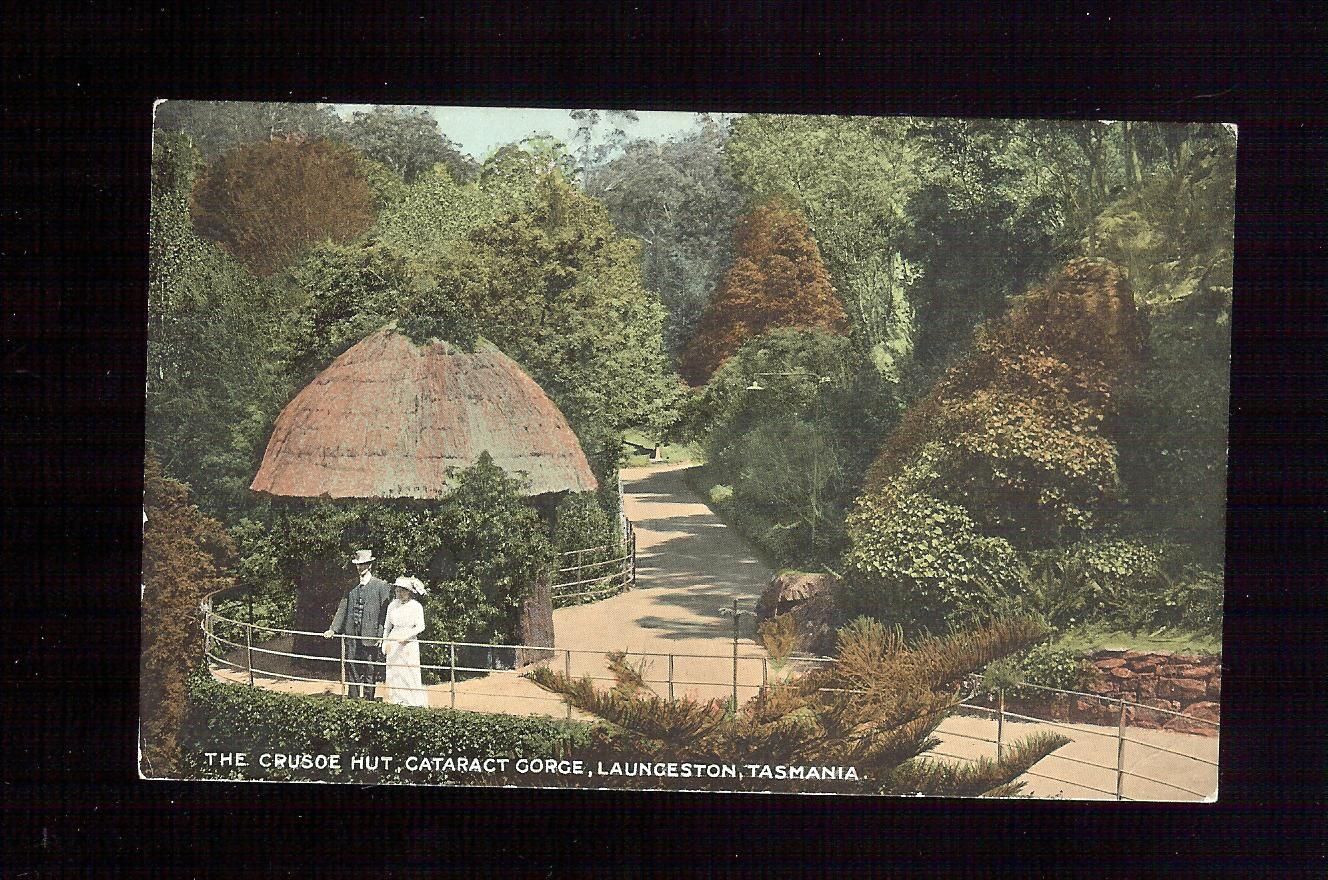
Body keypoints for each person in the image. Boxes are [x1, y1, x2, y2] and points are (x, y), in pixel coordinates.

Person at [323, 549, 392, 700]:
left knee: (369, 667)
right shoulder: (351, 586)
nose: (361, 568)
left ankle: (368, 699)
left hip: (371, 634)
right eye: (358, 565)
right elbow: (343, 608)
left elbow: (384, 614)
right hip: (352, 633)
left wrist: (381, 635)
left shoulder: (381, 586)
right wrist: (333, 629)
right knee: (352, 665)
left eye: (364, 565)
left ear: (370, 565)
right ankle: (353, 698)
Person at [382, 576, 429, 707]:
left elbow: (421, 626)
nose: (400, 593)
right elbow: (387, 626)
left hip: (409, 642)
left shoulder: (416, 606)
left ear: (410, 592)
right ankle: (396, 700)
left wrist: (407, 637)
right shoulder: (392, 605)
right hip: (394, 639)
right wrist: (385, 642)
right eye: (398, 590)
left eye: (403, 590)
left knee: (408, 671)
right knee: (394, 671)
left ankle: (411, 701)